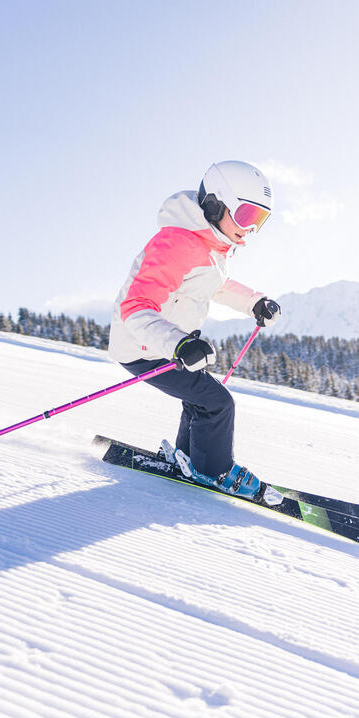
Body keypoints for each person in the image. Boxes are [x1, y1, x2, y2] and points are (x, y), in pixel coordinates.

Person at [108, 160, 282, 501]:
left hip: (164, 345)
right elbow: (136, 307)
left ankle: (191, 458)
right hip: (144, 347)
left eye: (259, 220)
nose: (250, 229)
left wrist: (254, 303)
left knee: (200, 398)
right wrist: (178, 344)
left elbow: (215, 284)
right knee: (218, 403)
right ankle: (213, 470)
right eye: (246, 216)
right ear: (216, 203)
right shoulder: (176, 244)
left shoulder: (210, 245)